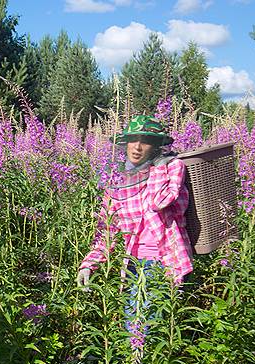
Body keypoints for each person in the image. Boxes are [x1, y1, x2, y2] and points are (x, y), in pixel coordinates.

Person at [76, 115, 193, 343]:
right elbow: (107, 229)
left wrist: (159, 167)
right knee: (132, 322)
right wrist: (90, 263)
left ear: (157, 146)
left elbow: (160, 200)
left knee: (145, 325)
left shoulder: (173, 167)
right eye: (132, 140)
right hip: (133, 262)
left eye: (146, 141)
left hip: (164, 261)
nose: (137, 147)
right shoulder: (120, 180)